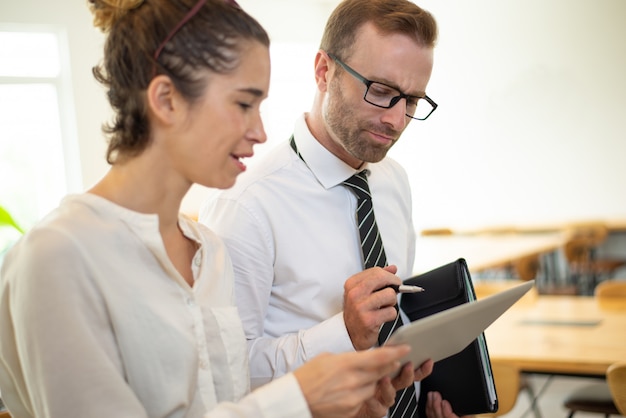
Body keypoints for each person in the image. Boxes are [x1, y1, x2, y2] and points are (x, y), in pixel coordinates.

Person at [0, 0, 424, 417]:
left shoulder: (208, 254)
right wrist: (302, 396)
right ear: (166, 99)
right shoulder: (57, 256)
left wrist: (352, 406)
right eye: (243, 104)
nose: (260, 132)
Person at [199, 0, 472, 417]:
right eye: (380, 91)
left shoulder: (393, 180)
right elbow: (226, 375)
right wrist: (342, 333)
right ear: (324, 71)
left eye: (412, 100)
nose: (397, 121)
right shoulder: (246, 204)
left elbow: (397, 324)